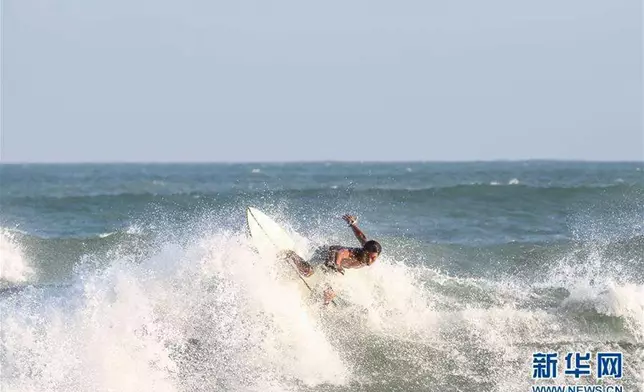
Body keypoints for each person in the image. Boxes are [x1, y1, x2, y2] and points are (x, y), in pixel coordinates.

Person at [279, 214, 382, 305]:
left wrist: (352, 224)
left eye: (373, 258)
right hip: (327, 254)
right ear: (364, 251)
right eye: (368, 256)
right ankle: (291, 254)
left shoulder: (368, 248)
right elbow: (340, 253)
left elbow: (362, 237)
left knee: (331, 287)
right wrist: (337, 265)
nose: (370, 260)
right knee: (307, 272)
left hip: (335, 264)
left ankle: (324, 302)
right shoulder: (356, 254)